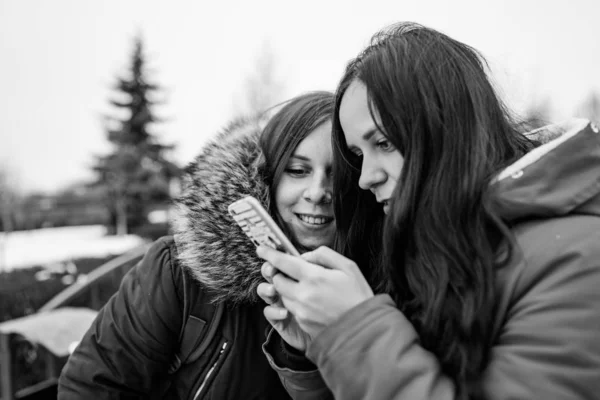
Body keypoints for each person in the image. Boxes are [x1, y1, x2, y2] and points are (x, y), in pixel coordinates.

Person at [257, 22, 600, 399]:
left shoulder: (578, 257)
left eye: (384, 143)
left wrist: (353, 331)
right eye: (357, 156)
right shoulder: (426, 249)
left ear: (446, 127)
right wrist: (322, 349)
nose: (364, 178)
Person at [57, 90, 335, 399]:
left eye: (339, 175)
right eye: (298, 170)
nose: (318, 191)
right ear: (267, 176)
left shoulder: (376, 290)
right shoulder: (179, 274)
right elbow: (91, 388)